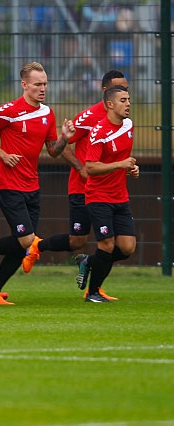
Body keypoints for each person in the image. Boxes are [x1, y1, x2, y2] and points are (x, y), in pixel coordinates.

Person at [0, 62, 75, 299]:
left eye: (45, 84)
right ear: (24, 85)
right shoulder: (9, 110)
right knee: (27, 240)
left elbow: (52, 150)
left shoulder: (47, 113)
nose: (42, 89)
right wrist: (3, 155)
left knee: (22, 246)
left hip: (33, 186)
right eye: (38, 84)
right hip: (8, 184)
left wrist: (65, 139)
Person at [34, 71, 127, 300]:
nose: (125, 95)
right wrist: (80, 167)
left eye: (126, 90)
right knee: (78, 241)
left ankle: (94, 280)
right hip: (83, 189)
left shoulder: (125, 121)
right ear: (107, 94)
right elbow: (60, 146)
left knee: (121, 245)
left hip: (111, 193)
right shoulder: (89, 117)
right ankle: (38, 246)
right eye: (120, 90)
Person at [81, 85, 137, 302]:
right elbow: (90, 168)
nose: (128, 104)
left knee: (127, 248)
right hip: (99, 197)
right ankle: (93, 292)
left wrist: (132, 167)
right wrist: (120, 164)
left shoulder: (129, 125)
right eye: (123, 100)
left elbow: (124, 158)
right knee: (107, 244)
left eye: (129, 99)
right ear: (110, 104)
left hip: (120, 197)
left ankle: (89, 262)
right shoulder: (99, 131)